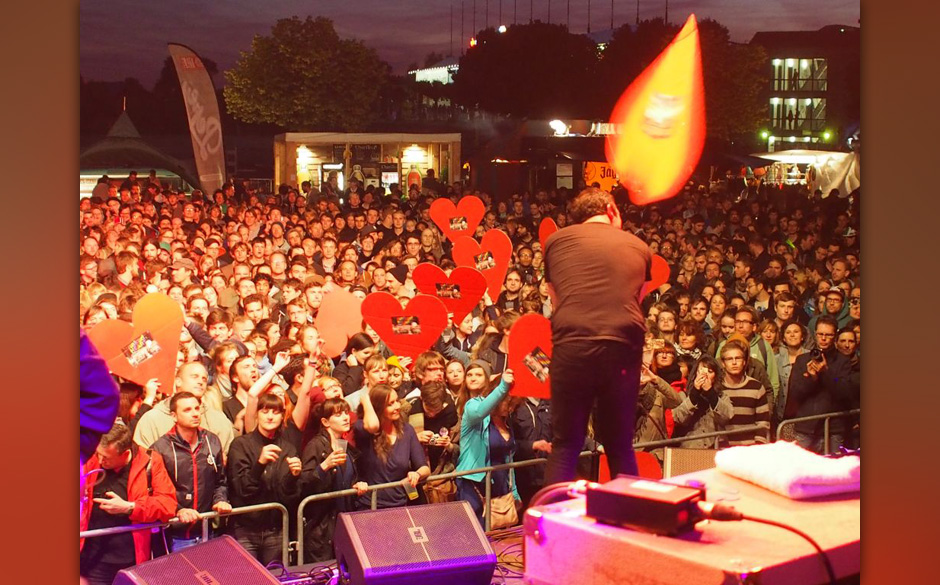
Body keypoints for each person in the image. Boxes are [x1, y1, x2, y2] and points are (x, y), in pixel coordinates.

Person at [543, 187, 651, 485]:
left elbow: (555, 297)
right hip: (622, 346)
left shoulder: (556, 242)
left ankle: (548, 515)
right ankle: (628, 512)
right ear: (612, 211)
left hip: (573, 342)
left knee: (566, 444)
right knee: (620, 445)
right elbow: (636, 297)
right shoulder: (639, 246)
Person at [80, 423, 177, 585]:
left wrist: (130, 507)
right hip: (92, 557)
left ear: (125, 454)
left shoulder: (150, 461)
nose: (100, 460)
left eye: (106, 458)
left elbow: (168, 505)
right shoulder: (92, 457)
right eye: (98, 454)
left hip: (130, 558)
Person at [226, 393, 303, 565]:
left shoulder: (288, 448)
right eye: (265, 411)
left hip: (275, 529)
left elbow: (289, 497)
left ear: (282, 416)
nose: (270, 416)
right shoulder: (241, 445)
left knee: (276, 576)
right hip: (245, 529)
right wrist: (260, 464)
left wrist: (293, 476)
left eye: (275, 412)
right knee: (246, 576)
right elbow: (242, 490)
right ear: (256, 414)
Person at [150, 392, 231, 552]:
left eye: (197, 408)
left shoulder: (212, 441)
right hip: (176, 535)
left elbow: (220, 482)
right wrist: (178, 510)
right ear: (174, 416)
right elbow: (155, 492)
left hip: (208, 531)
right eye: (187, 410)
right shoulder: (161, 448)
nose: (194, 413)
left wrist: (220, 500)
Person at [299, 398, 368, 562]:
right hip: (321, 529)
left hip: (344, 524)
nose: (345, 418)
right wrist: (324, 466)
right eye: (338, 414)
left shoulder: (344, 446)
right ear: (325, 422)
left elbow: (346, 480)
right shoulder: (315, 445)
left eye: (346, 413)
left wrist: (357, 485)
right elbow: (303, 485)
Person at [785, 315, 859, 453]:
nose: (823, 338)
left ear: (835, 336)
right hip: (805, 427)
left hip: (833, 429)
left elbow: (844, 390)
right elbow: (795, 393)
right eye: (820, 334)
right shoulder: (802, 360)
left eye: (828, 335)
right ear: (815, 334)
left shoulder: (843, 361)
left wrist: (826, 373)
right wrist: (811, 378)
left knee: (834, 466)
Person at [455, 361, 517, 526]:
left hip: (498, 481)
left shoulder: (503, 419)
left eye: (478, 374)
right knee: (475, 531)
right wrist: (503, 386)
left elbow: (508, 457)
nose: (473, 378)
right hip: (473, 481)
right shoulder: (471, 406)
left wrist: (514, 490)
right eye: (469, 374)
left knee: (499, 532)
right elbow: (480, 411)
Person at [353, 384, 430, 509]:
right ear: (377, 407)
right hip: (370, 505)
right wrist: (366, 400)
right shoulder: (363, 427)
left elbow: (424, 468)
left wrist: (417, 474)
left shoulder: (407, 430)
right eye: (391, 404)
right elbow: (373, 426)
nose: (397, 406)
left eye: (397, 401)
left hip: (399, 504)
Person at [133, 362, 235, 456]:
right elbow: (142, 459)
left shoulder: (218, 419)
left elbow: (226, 458)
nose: (200, 382)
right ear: (178, 381)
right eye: (195, 377)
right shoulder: (152, 419)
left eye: (204, 379)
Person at [671, 357, 734, 448]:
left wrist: (711, 393)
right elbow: (678, 418)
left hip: (716, 448)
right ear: (695, 374)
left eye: (710, 371)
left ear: (715, 377)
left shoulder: (722, 397)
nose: (705, 375)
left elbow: (727, 417)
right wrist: (694, 394)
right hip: (689, 449)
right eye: (701, 371)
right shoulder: (683, 395)